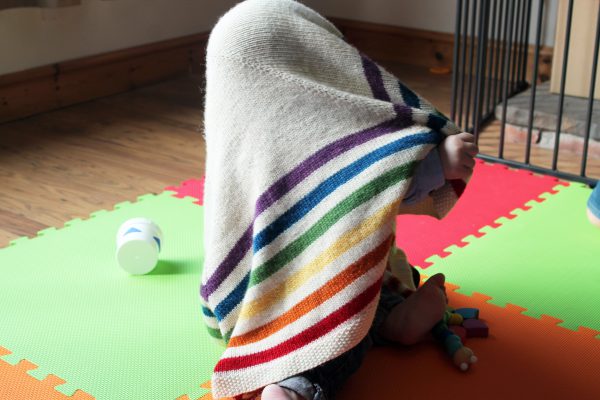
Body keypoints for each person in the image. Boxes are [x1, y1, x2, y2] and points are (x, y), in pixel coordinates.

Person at [200, 1, 478, 399]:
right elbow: (373, 183)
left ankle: (390, 316)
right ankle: (297, 386)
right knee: (341, 318)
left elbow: (358, 182)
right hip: (283, 288)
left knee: (368, 282)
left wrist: (433, 164)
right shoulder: (251, 147)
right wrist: (435, 167)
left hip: (264, 293)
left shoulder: (309, 128)